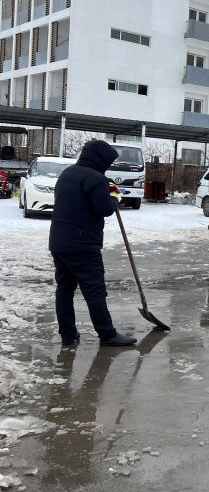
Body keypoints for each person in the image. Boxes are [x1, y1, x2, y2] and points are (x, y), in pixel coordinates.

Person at [48, 139, 136, 346]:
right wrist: (114, 196)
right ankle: (107, 334)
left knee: (65, 289)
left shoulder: (67, 173)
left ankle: (68, 335)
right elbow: (104, 209)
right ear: (100, 160)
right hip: (83, 245)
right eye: (108, 162)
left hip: (59, 242)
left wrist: (106, 188)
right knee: (95, 291)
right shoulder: (96, 179)